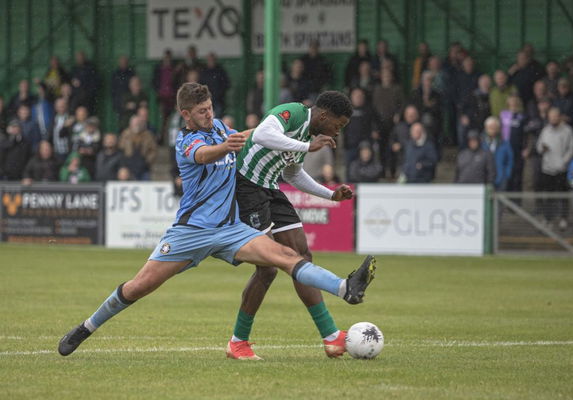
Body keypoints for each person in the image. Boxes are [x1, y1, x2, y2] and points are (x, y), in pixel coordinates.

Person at [57, 83, 376, 357]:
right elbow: (202, 155)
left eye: (210, 108)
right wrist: (227, 145)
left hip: (230, 229)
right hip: (191, 232)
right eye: (201, 112)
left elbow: (251, 136)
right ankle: (86, 327)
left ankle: (344, 288)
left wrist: (253, 135)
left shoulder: (222, 128)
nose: (209, 115)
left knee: (285, 257)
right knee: (138, 287)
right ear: (186, 115)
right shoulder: (186, 141)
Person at [231, 90, 359, 360]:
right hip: (247, 188)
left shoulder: (307, 135)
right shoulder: (295, 113)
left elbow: (292, 173)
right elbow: (262, 135)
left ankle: (331, 337)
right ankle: (238, 343)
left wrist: (330, 194)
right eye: (338, 125)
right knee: (267, 269)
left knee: (302, 256)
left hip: (270, 189)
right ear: (324, 115)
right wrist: (306, 147)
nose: (336, 132)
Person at [536, 108, 573, 225]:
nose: (553, 118)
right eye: (551, 116)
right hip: (547, 169)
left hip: (561, 169)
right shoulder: (545, 130)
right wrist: (542, 149)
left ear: (559, 117)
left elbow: (571, 148)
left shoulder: (567, 130)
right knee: (548, 196)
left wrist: (563, 162)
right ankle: (548, 218)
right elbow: (539, 146)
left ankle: (563, 218)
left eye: (555, 116)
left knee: (563, 195)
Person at [481, 116, 513, 190]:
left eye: (494, 127)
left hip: (501, 177)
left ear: (498, 128)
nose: (492, 129)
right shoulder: (481, 143)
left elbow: (510, 160)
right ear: (485, 128)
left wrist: (507, 174)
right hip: (485, 178)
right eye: (490, 127)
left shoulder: (505, 143)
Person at [199, 52, 230, 118]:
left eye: (212, 59)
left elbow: (226, 84)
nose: (211, 61)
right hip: (205, 100)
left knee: (217, 118)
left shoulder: (220, 70)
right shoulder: (204, 71)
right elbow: (200, 85)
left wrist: (219, 94)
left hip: (218, 100)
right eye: (209, 60)